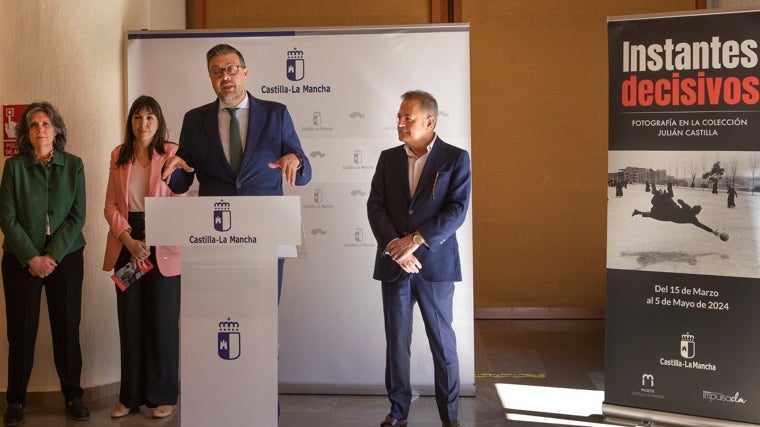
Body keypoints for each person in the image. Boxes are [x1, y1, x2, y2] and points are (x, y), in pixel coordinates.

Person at [160, 43, 311, 299]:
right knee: (220, 312)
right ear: (210, 78)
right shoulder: (194, 120)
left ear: (245, 72)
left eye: (231, 69)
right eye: (217, 72)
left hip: (266, 232)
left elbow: (305, 174)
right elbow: (181, 183)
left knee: (262, 318)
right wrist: (172, 169)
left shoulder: (276, 114)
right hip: (216, 236)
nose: (225, 77)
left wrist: (296, 160)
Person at [367, 90, 471, 427]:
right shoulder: (387, 159)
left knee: (443, 345)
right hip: (395, 265)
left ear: (430, 121)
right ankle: (398, 413)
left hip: (435, 266)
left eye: (406, 118)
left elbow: (456, 211)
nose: (399, 123)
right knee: (396, 345)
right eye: (398, 116)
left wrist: (416, 241)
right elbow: (375, 206)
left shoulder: (456, 158)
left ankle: (450, 416)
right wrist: (396, 246)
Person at [0, 102, 89, 425]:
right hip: (20, 260)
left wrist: (51, 257)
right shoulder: (13, 167)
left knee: (67, 329)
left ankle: (74, 395)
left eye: (46, 124)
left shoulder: (74, 165)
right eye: (34, 125)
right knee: (21, 333)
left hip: (65, 259)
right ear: (26, 133)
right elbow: (7, 217)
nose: (40, 129)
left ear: (57, 130)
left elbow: (78, 216)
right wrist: (31, 258)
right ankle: (16, 401)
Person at [103, 96, 185, 419]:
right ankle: (130, 396)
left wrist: (150, 240)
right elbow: (109, 205)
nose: (143, 123)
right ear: (131, 122)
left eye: (150, 117)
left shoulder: (171, 153)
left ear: (159, 121)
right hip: (127, 244)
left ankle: (163, 395)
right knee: (130, 319)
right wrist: (129, 240)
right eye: (137, 117)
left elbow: (179, 200)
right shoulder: (118, 156)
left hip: (162, 243)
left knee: (163, 321)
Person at [632, 191, 728, 240]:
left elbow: (679, 200)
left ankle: (640, 210)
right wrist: (712, 231)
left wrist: (684, 203)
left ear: (693, 208)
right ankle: (657, 196)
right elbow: (702, 226)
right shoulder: (693, 219)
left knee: (656, 211)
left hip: (671, 211)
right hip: (670, 216)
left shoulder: (687, 208)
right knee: (655, 214)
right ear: (697, 213)